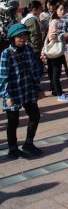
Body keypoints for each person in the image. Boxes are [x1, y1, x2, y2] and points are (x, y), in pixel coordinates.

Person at [0, 23, 43, 159]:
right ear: (12, 38)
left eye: (25, 35)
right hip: (13, 92)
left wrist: (38, 87)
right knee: (13, 122)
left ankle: (28, 143)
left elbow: (34, 69)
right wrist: (6, 96)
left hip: (28, 90)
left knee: (35, 116)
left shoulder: (28, 50)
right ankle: (13, 149)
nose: (23, 38)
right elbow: (2, 77)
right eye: (20, 36)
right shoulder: (6, 54)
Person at [44, 1, 67, 99]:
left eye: (64, 9)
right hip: (57, 50)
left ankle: (58, 91)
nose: (63, 11)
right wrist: (64, 37)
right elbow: (52, 37)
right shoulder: (55, 21)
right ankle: (58, 93)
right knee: (56, 72)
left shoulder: (63, 20)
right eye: (61, 9)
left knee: (60, 72)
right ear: (56, 10)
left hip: (62, 50)